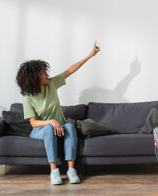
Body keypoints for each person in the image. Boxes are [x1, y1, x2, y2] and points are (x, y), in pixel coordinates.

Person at [16, 42, 100, 185]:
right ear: (34, 78)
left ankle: (71, 170)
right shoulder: (28, 97)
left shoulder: (51, 84)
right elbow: (33, 122)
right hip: (40, 130)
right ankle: (54, 171)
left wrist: (90, 56)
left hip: (59, 126)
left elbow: (70, 70)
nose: (47, 74)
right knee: (49, 128)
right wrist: (51, 122)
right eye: (43, 72)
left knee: (70, 127)